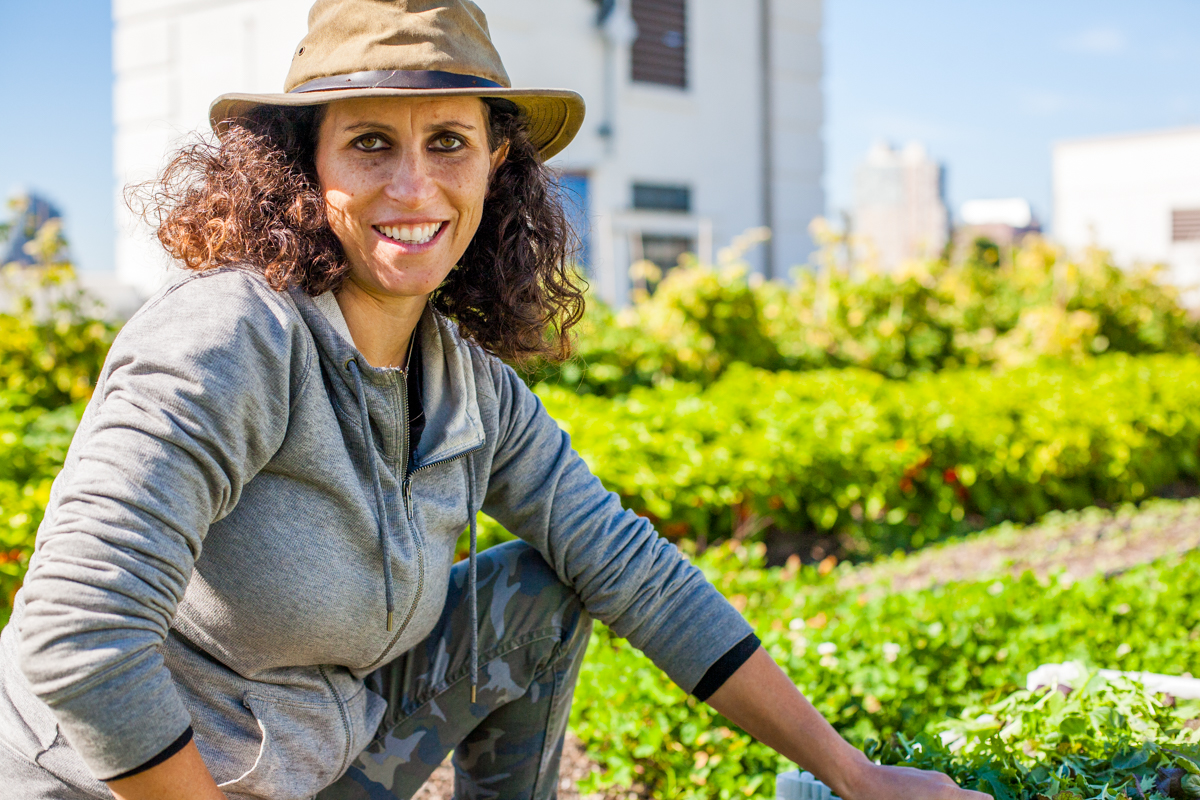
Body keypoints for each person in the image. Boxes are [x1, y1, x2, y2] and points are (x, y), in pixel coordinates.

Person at [0, 2, 991, 799]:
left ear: (495, 161)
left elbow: (630, 570)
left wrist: (857, 776)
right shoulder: (230, 341)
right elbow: (76, 637)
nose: (414, 183)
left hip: (302, 759)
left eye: (448, 141)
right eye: (371, 143)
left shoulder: (465, 383)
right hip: (114, 780)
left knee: (542, 587)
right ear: (305, 166)